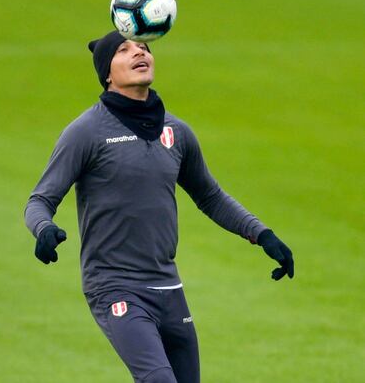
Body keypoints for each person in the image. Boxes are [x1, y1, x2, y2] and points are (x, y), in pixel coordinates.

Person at [24, 31, 293, 382]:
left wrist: (262, 234)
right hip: (115, 286)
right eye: (125, 50)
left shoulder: (176, 132)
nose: (139, 53)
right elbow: (39, 200)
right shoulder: (86, 132)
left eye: (144, 48)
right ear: (107, 72)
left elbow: (210, 196)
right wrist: (44, 229)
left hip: (168, 287)